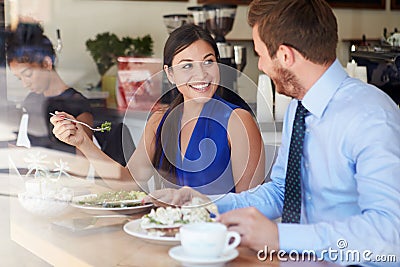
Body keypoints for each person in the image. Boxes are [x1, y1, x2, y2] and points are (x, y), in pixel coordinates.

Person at [143, 0, 400, 265]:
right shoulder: (299, 108)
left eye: (260, 55)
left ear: (286, 56)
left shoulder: (372, 116)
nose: (262, 66)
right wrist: (206, 205)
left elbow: (391, 234)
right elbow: (280, 191)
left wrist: (281, 237)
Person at [51, 24, 265, 193]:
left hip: (215, 242)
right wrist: (83, 142)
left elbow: (252, 206)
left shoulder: (238, 121)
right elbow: (130, 183)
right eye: (187, 65)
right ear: (170, 74)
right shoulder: (159, 121)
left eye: (208, 62)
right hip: (166, 236)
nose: (201, 74)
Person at [7, 21, 93, 154]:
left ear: (47, 63)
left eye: (28, 75)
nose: (25, 84)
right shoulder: (32, 100)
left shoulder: (76, 105)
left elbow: (83, 167)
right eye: (20, 78)